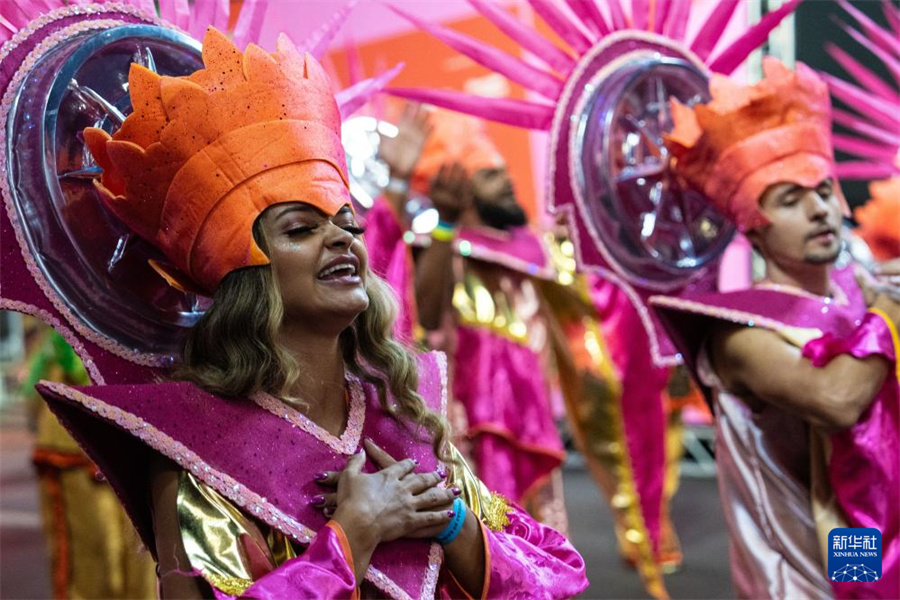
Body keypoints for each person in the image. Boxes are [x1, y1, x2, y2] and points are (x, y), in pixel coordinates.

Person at [35, 28, 587, 600]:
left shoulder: (400, 410)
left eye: (347, 225)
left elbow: (557, 574)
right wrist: (352, 538)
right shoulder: (197, 452)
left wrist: (450, 524)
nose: (342, 240)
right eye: (301, 229)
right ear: (244, 276)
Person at [651, 57, 900, 598]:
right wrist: (891, 313)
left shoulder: (857, 290)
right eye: (791, 199)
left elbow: (852, 471)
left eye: (823, 190)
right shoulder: (741, 331)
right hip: (794, 577)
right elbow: (837, 401)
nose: (820, 210)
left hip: (860, 548)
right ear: (754, 229)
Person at [372, 108, 570, 532]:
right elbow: (423, 312)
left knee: (543, 544)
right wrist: (442, 223)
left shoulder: (531, 250)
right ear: (462, 187)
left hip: (529, 422)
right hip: (473, 434)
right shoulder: (439, 247)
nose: (508, 181)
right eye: (491, 175)